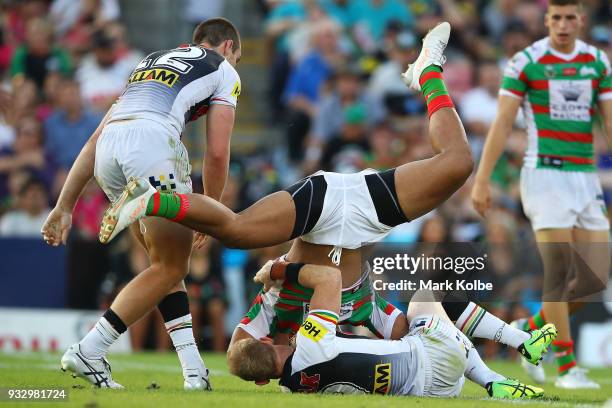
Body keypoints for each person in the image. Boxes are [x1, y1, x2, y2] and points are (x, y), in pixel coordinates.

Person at [99, 24, 553, 398]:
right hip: (362, 210)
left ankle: (152, 199)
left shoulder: (269, 322)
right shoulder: (359, 313)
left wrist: (278, 272)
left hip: (321, 205)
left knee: (235, 230)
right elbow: (421, 329)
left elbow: (241, 349)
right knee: (459, 164)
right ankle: (429, 71)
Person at [41, 18, 242, 390]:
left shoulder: (149, 61)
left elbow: (94, 139)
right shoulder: (223, 67)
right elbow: (216, 152)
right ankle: (90, 348)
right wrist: (208, 209)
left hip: (110, 150)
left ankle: (194, 372)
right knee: (170, 266)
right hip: (153, 145)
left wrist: (65, 204)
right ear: (229, 46)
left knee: (165, 266)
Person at [471, 0, 611, 389]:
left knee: (595, 280)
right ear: (546, 20)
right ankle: (566, 367)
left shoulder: (597, 62)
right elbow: (501, 122)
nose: (563, 25)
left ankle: (528, 330)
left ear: (581, 20)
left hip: (585, 177)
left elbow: (610, 121)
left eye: (570, 17)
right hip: (544, 174)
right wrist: (482, 179)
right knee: (559, 270)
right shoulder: (526, 62)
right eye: (556, 18)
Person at [227, 260, 545, 398]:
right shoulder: (309, 342)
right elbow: (329, 278)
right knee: (427, 296)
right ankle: (521, 343)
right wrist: (278, 269)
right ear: (267, 340)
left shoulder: (290, 388)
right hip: (434, 355)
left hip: (434, 391)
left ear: (261, 381)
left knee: (429, 332)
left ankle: (495, 379)